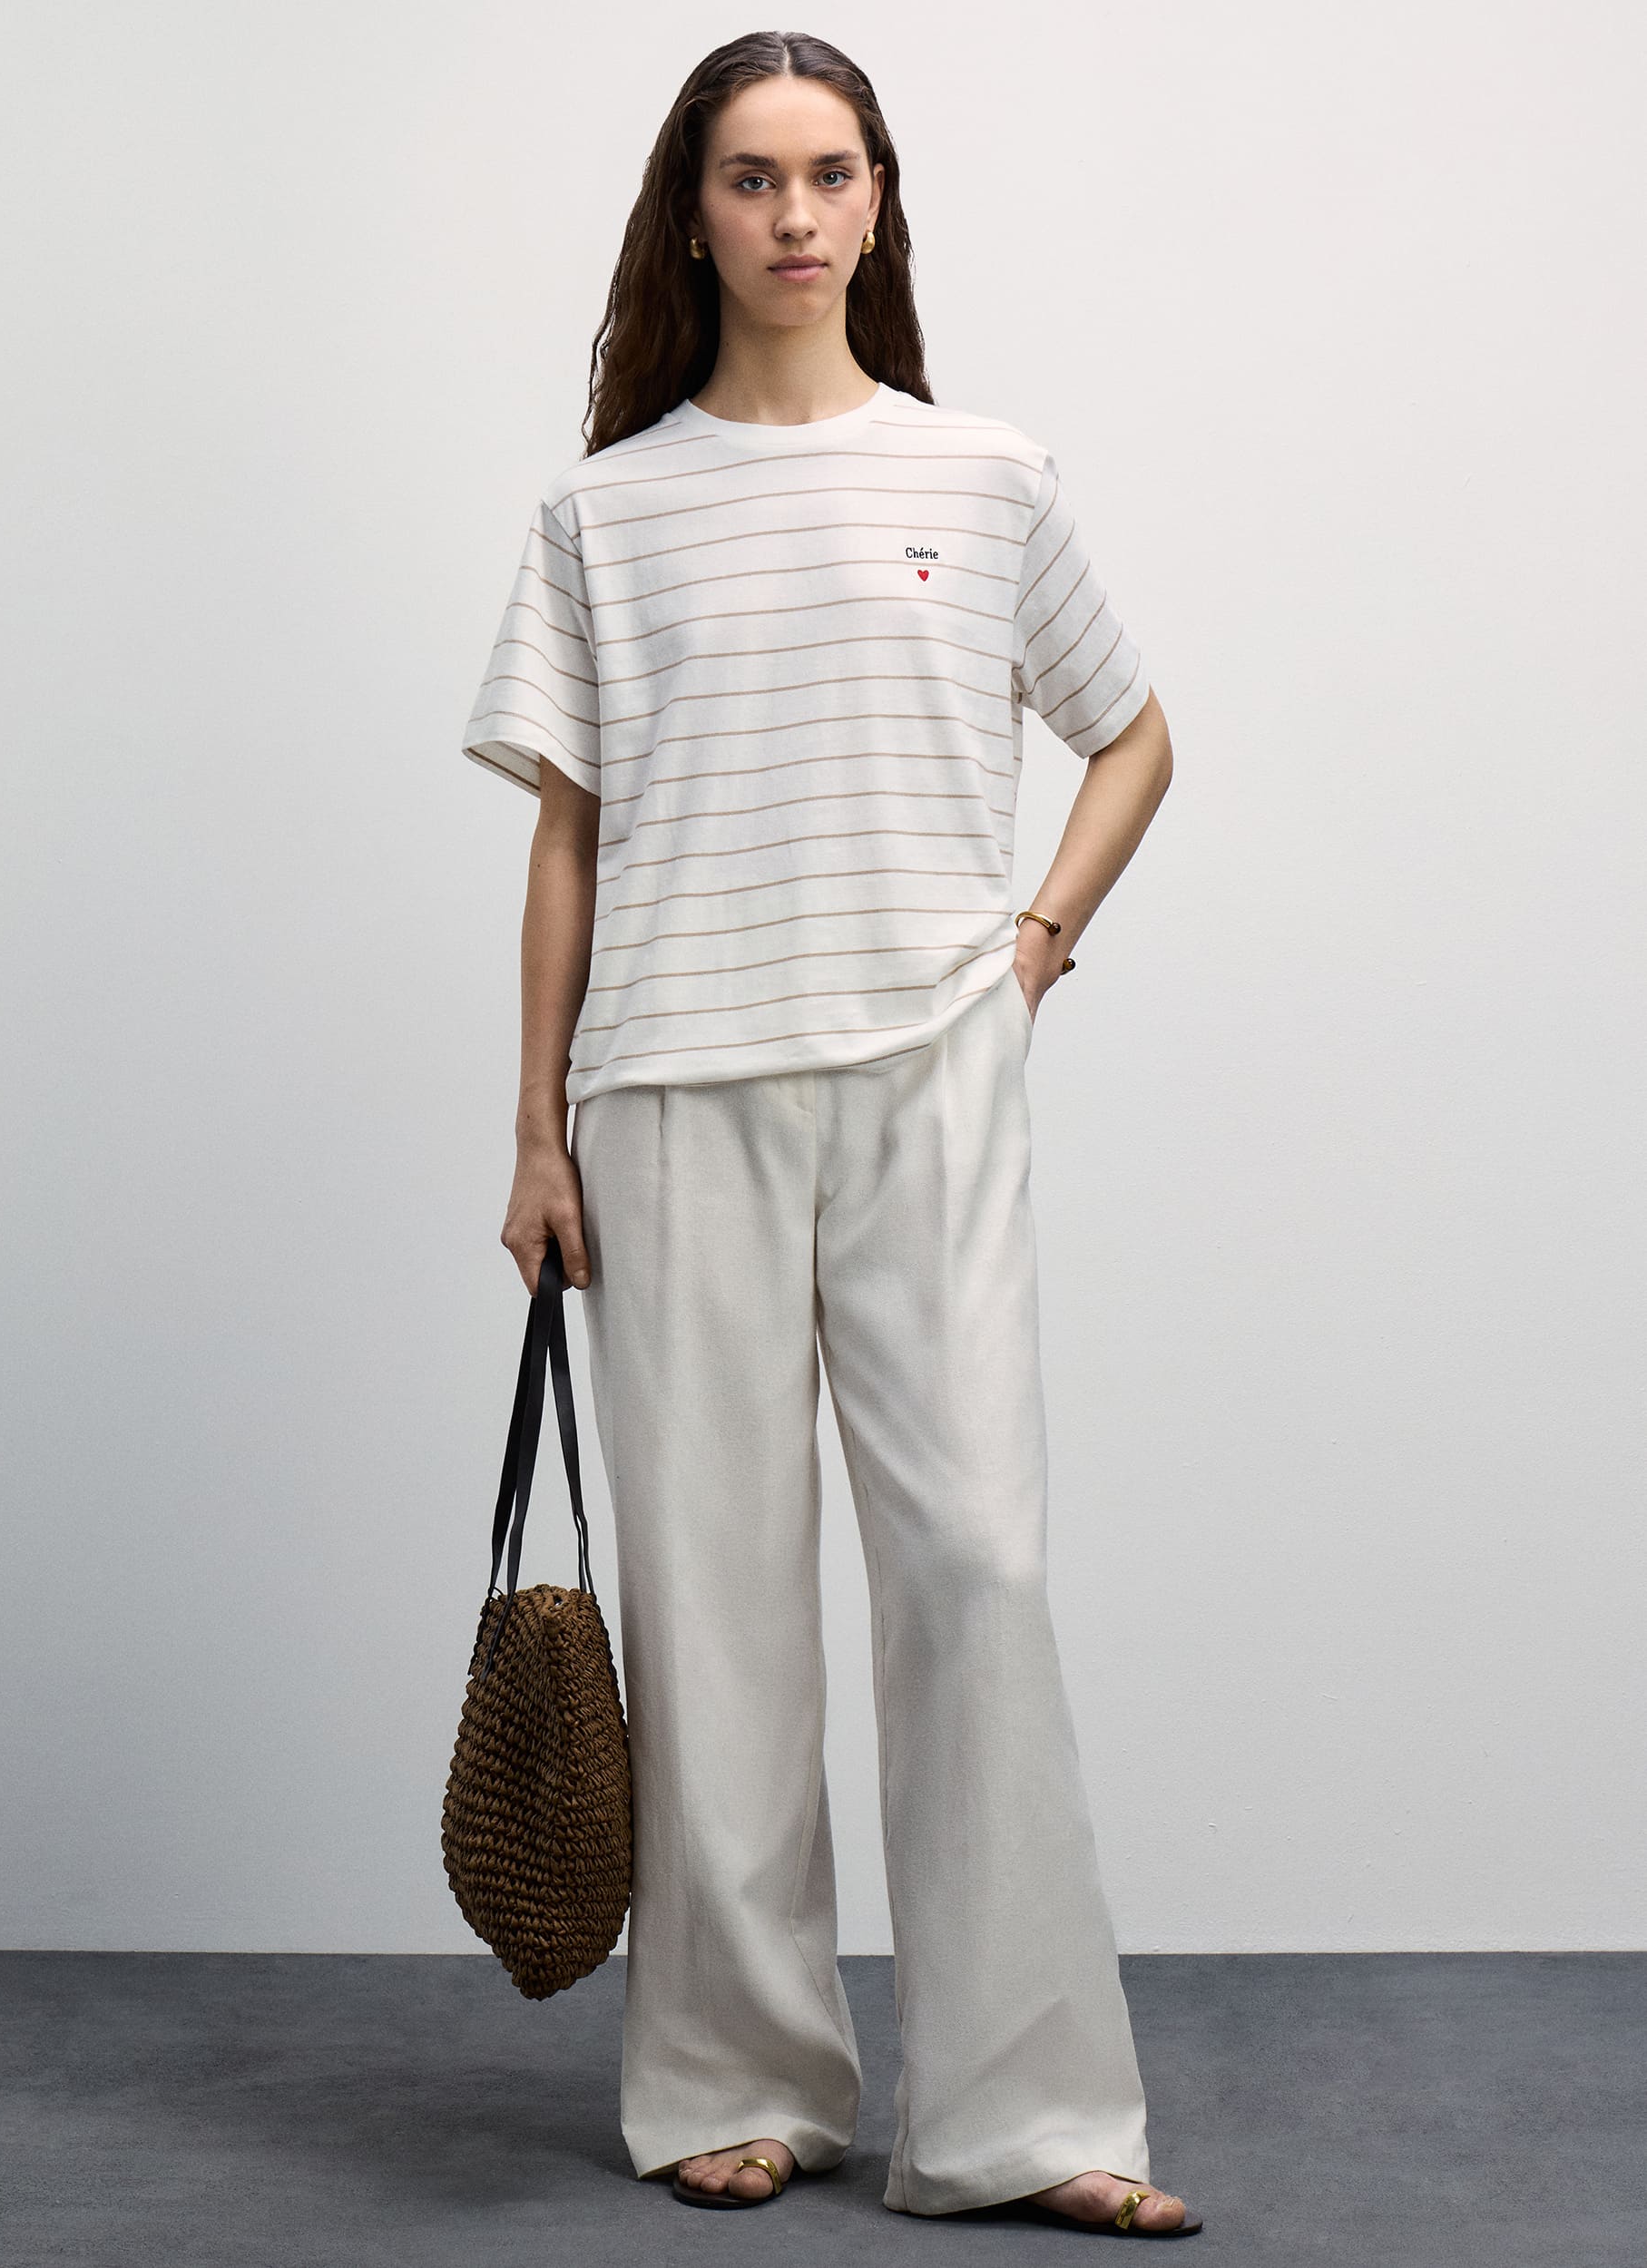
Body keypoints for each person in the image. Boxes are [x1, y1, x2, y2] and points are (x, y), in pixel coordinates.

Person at [460, 29, 1201, 2244]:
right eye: (750, 175)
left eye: (830, 172)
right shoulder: (602, 509)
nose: (793, 213)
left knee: (974, 1567)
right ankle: (734, 2073)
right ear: (691, 214)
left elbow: (1133, 733)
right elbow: (566, 844)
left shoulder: (984, 475)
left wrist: (1030, 948)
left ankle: (1024, 2108)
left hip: (921, 1075)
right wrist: (532, 1131)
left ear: (877, 204)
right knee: (713, 1604)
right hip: (667, 1085)